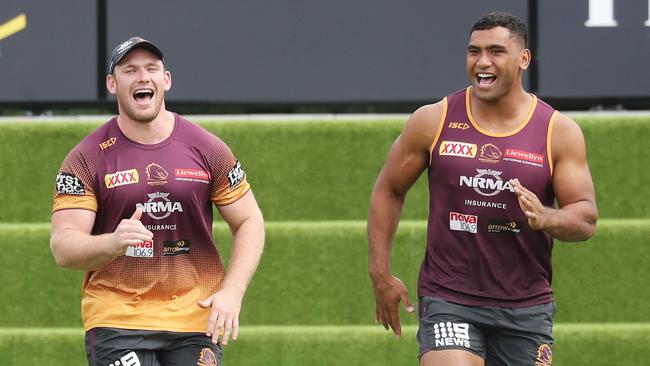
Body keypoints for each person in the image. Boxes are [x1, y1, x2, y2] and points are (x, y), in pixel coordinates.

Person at [368, 12, 597, 366]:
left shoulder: (557, 131)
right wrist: (379, 272)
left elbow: (585, 219)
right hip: (449, 297)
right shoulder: (434, 119)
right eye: (474, 51)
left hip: (525, 307)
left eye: (496, 51)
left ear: (524, 59)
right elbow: (389, 190)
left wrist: (546, 217)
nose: (482, 62)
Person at [50, 36, 265, 366]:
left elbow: (249, 220)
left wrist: (233, 292)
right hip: (117, 317)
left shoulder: (207, 148)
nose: (142, 77)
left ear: (166, 80)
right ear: (112, 83)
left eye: (152, 68)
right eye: (130, 70)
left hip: (194, 316)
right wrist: (113, 242)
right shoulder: (86, 158)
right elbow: (63, 246)